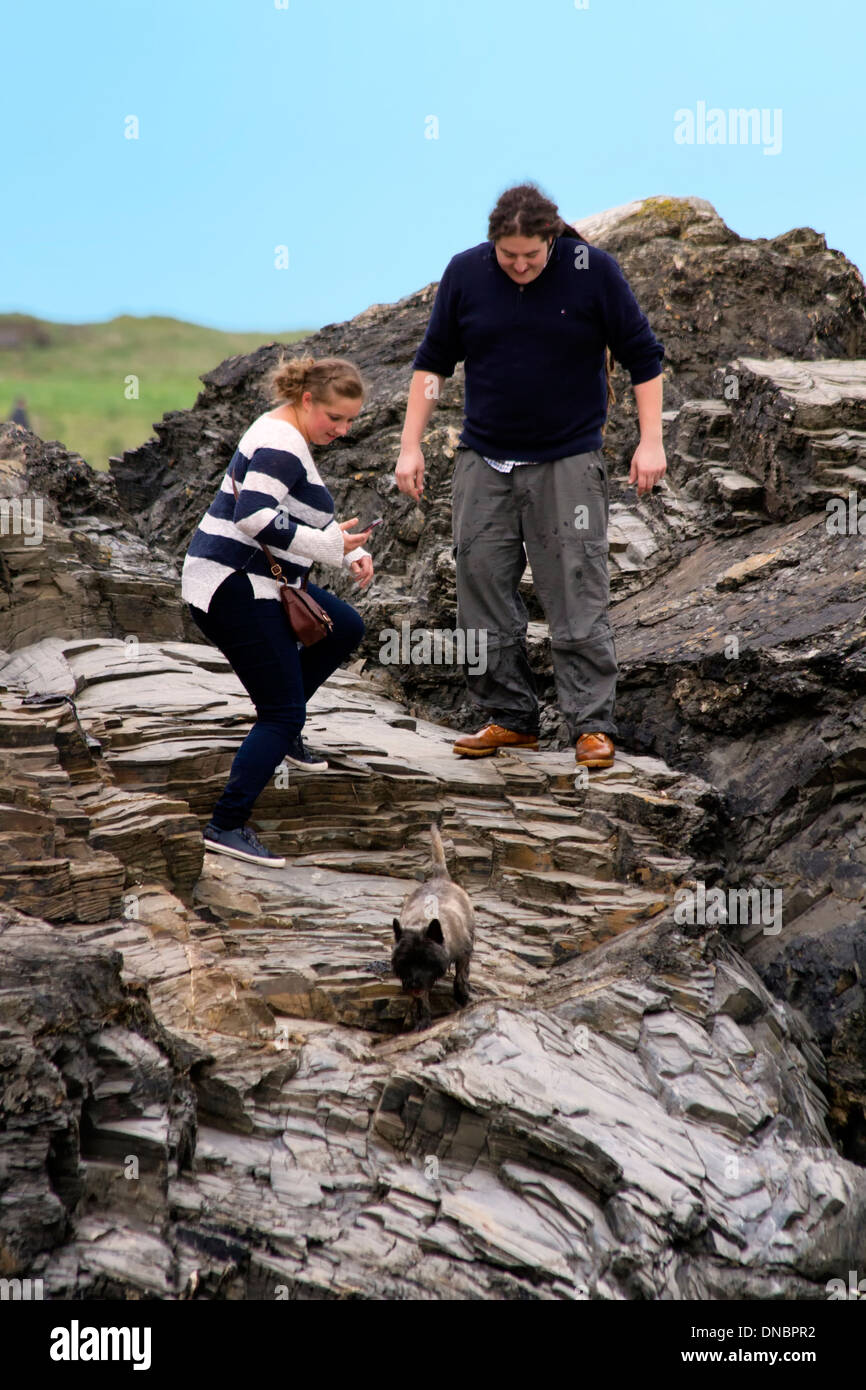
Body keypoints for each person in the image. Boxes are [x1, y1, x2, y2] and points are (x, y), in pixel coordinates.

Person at [395, 182, 666, 769]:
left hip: (567, 461)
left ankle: (591, 727)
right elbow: (432, 363)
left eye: (531, 256)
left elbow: (644, 357)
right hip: (483, 460)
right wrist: (410, 444)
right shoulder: (465, 273)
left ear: (552, 238)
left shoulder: (592, 270)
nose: (519, 266)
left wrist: (651, 442)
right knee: (480, 589)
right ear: (493, 243)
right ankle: (509, 719)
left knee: (576, 589)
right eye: (508, 255)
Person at [182, 355, 374, 868]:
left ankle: (284, 733)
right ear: (306, 399)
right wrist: (332, 549)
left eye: (350, 421)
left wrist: (348, 549)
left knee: (345, 626)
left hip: (258, 581)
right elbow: (254, 516)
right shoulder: (281, 442)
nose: (343, 429)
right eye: (335, 418)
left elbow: (306, 512)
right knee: (282, 709)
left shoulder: (287, 434)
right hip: (233, 585)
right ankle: (225, 825)